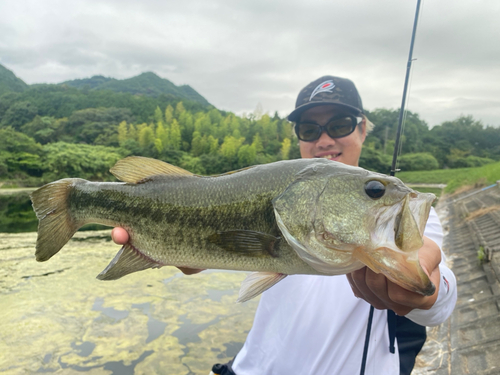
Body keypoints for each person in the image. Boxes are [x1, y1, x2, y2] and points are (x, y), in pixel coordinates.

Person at [111, 76, 457, 375]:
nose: (324, 140)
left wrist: (427, 291)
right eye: (309, 129)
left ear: (363, 128)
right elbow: (218, 249)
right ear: (298, 136)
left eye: (339, 125)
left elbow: (439, 299)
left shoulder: (401, 212)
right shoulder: (274, 191)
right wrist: (183, 253)